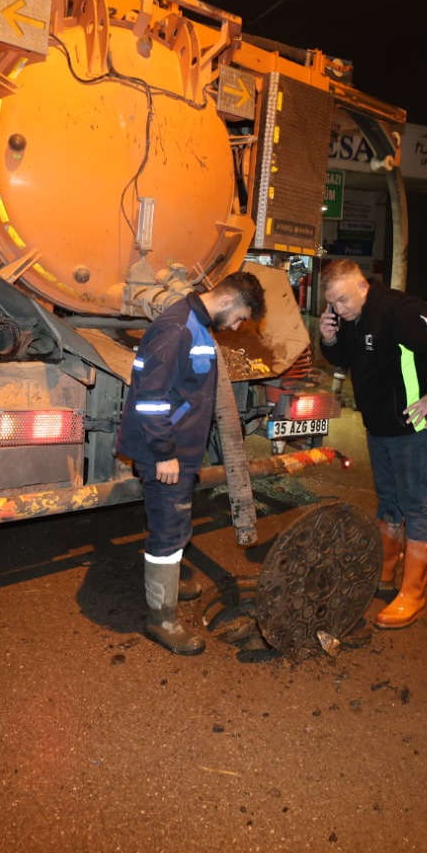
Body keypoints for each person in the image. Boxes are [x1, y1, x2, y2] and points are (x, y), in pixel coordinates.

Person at [118, 270, 267, 655]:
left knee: (176, 520)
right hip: (165, 452)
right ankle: (162, 619)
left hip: (179, 449)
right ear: (231, 301)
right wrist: (165, 453)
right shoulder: (178, 328)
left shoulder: (196, 324)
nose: (237, 326)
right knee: (168, 528)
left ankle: (167, 579)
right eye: (239, 318)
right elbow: (150, 397)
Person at [317, 259, 427, 628]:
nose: (338, 309)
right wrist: (330, 338)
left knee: (414, 505)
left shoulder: (397, 311)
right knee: (388, 501)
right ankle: (384, 575)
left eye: (341, 300)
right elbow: (347, 358)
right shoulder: (353, 318)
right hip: (379, 425)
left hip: (410, 427)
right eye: (331, 304)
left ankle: (413, 594)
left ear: (362, 286)